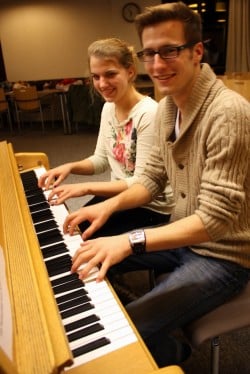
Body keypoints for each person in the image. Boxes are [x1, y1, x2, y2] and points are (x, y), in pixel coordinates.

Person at [64, 2, 250, 368]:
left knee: (121, 329)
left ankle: (170, 354)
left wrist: (129, 240)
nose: (157, 64)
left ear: (198, 52)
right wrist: (107, 206)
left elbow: (214, 221)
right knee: (83, 253)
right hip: (181, 235)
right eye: (149, 53)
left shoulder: (229, 113)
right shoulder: (168, 107)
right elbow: (150, 179)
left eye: (169, 51)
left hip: (224, 256)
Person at [38, 38, 174, 237]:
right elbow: (101, 160)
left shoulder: (149, 114)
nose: (102, 84)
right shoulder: (108, 107)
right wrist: (70, 167)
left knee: (83, 237)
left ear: (130, 72)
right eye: (96, 76)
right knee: (71, 227)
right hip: (118, 194)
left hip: (151, 206)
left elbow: (143, 183)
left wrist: (84, 188)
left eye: (110, 74)